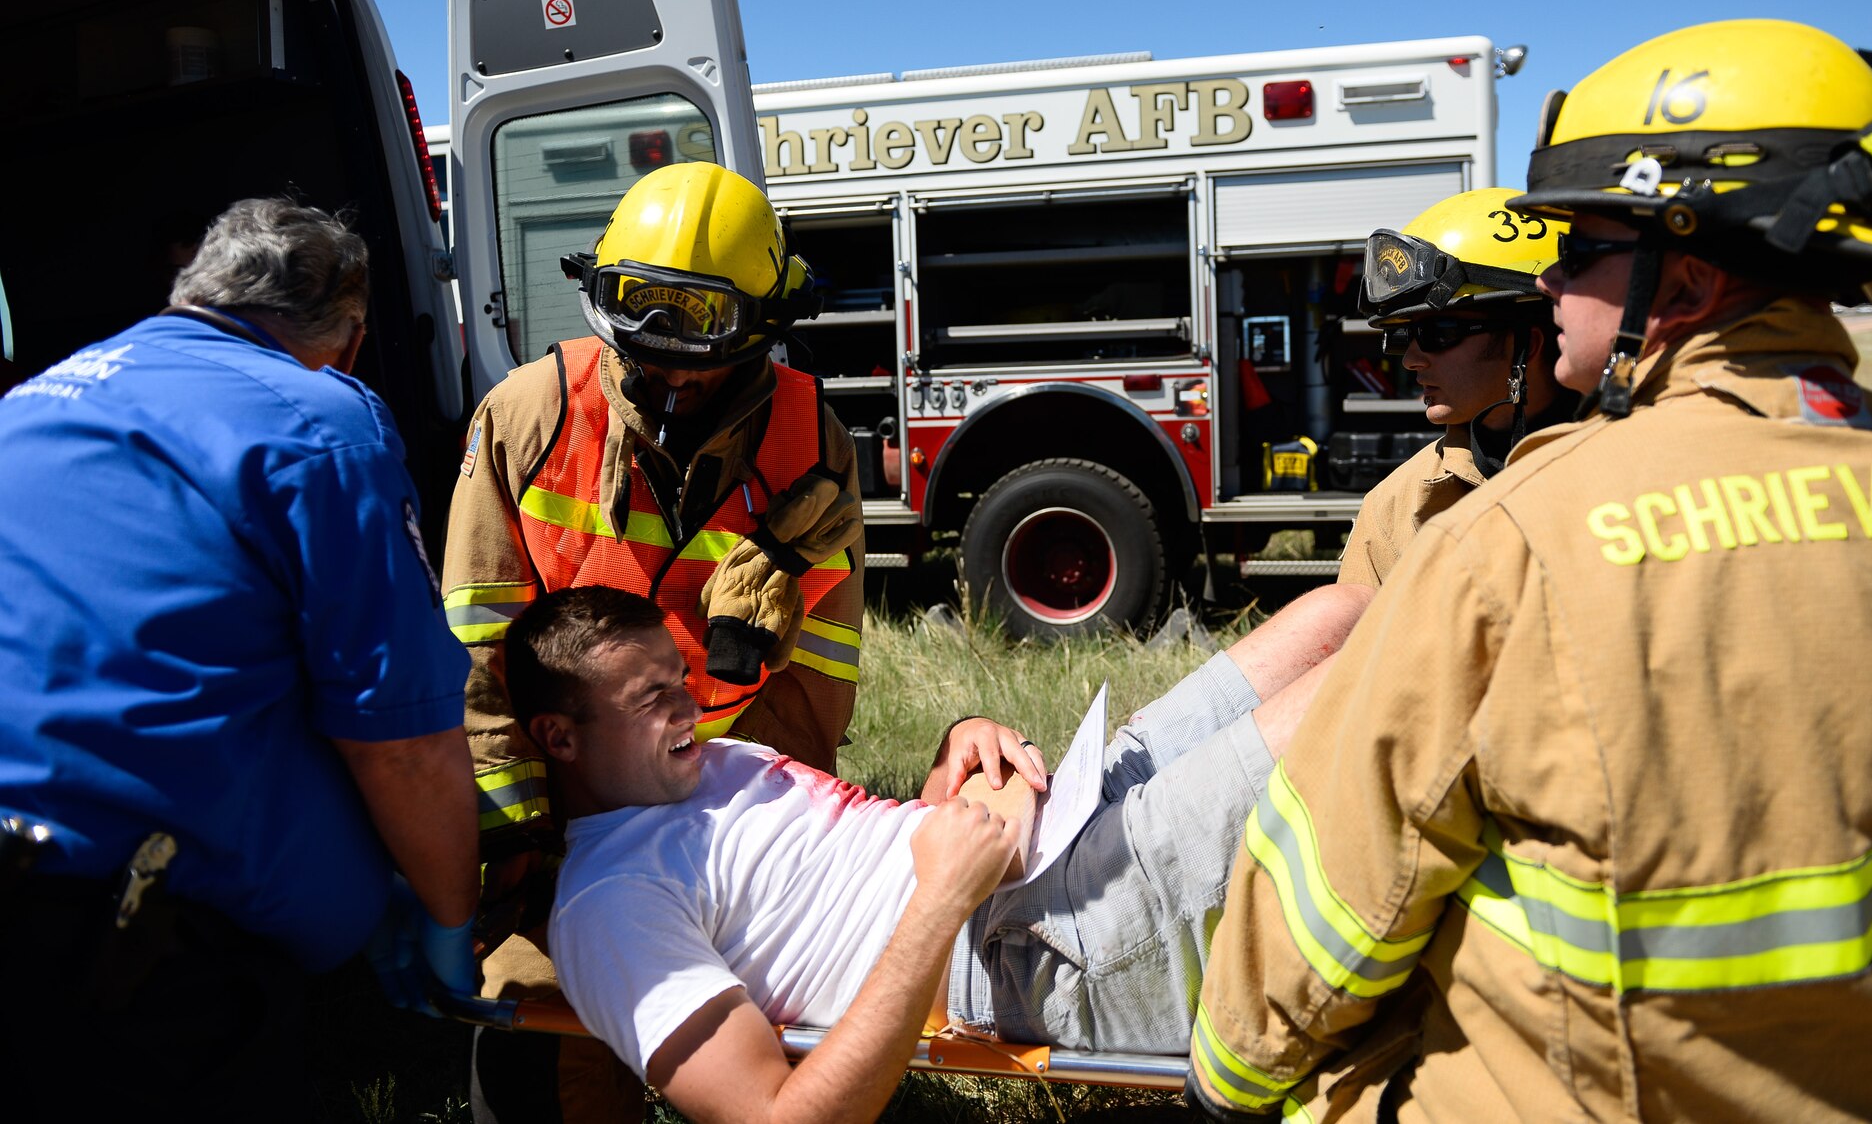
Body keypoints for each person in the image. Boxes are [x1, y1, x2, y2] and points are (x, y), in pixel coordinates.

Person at [1187, 18, 1872, 1121]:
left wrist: (1227, 1083)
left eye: (1574, 253)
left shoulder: (1512, 539)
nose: (1552, 284)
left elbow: (1327, 907)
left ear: (1683, 284)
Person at [501, 580, 1372, 1124]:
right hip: (1027, 939)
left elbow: (859, 857)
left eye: (681, 678)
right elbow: (783, 1115)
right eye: (653, 697)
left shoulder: (705, 766)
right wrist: (937, 903)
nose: (689, 706)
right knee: (1373, 678)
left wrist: (960, 749)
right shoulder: (610, 903)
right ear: (560, 737)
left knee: (1338, 617)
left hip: (1030, 834)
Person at [0, 198, 479, 1117]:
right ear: (349, 332)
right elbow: (401, 737)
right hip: (127, 967)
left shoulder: (48, 391)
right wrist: (448, 913)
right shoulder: (321, 418)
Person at [443, 160, 865, 1120]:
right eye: (644, 323)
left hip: (718, 801)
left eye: (702, 335)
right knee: (550, 1051)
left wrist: (766, 851)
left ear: (765, 323)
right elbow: (478, 652)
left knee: (743, 1058)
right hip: (563, 803)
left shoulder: (812, 444)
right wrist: (517, 846)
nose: (671, 362)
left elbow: (818, 675)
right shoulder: (528, 417)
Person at [1336, 187, 1575, 588]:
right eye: (1405, 336)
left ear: (1528, 343)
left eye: (1438, 332)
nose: (1411, 359)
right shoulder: (1397, 509)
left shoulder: (1634, 462)